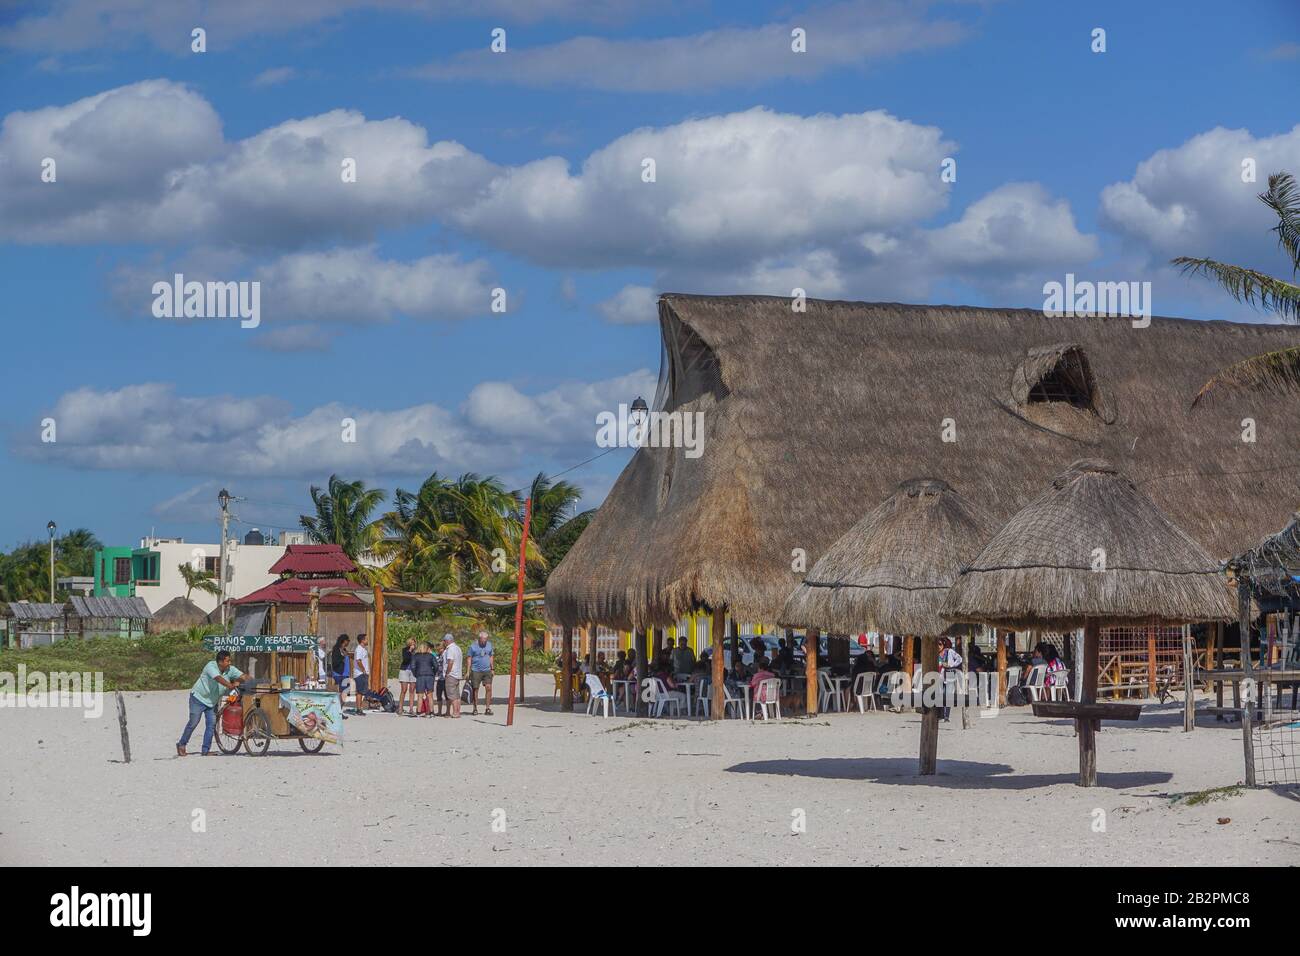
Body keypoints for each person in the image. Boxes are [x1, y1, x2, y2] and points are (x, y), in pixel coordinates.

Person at [177, 650, 244, 756]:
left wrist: (240, 680)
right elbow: (218, 678)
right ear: (220, 662)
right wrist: (230, 685)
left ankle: (205, 750)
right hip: (198, 698)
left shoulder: (230, 669)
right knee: (194, 722)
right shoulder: (210, 666)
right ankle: (181, 744)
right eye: (227, 661)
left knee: (211, 725)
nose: (229, 663)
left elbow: (243, 675)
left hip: (212, 702)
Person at [351, 634, 386, 716]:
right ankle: (358, 709)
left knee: (362, 692)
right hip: (360, 674)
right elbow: (358, 660)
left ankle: (360, 708)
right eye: (366, 639)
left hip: (363, 673)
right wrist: (363, 670)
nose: (367, 640)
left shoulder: (363, 649)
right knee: (360, 692)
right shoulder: (359, 649)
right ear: (362, 640)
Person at [467, 630, 495, 716]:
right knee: (475, 689)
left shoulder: (489, 645)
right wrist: (468, 671)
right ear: (479, 638)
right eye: (483, 640)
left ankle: (487, 708)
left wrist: (492, 668)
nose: (484, 641)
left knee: (488, 687)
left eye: (486, 639)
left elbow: (491, 656)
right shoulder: (473, 646)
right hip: (476, 670)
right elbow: (469, 658)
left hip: (487, 670)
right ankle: (475, 708)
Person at [938, 637, 963, 721]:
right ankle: (941, 715)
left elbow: (960, 659)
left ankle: (946, 716)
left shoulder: (950, 652)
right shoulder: (935, 653)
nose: (938, 646)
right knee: (940, 695)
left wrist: (951, 665)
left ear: (944, 645)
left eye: (940, 644)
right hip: (939, 675)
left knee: (948, 695)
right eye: (937, 644)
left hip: (950, 673)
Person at [411, 641, 437, 717]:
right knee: (430, 695)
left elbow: (412, 667)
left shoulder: (415, 656)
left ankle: (418, 712)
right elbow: (436, 666)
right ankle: (432, 712)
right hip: (429, 676)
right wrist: (433, 673)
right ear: (427, 648)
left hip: (420, 676)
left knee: (420, 695)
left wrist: (415, 674)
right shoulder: (431, 656)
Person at [441, 634, 464, 718]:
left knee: (452, 695)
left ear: (447, 641)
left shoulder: (450, 649)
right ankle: (458, 712)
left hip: (451, 674)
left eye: (444, 641)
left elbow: (450, 661)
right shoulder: (458, 648)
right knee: (457, 695)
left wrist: (447, 672)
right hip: (457, 674)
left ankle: (455, 712)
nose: (443, 642)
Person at [329, 635, 352, 711]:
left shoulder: (344, 650)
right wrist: (343, 657)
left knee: (345, 693)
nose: (348, 642)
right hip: (339, 675)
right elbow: (334, 662)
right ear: (343, 641)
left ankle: (340, 711)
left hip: (345, 675)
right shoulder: (336, 650)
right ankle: (338, 711)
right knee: (341, 693)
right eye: (347, 640)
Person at [399, 637, 417, 716]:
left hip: (413, 671)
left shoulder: (416, 651)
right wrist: (409, 650)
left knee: (412, 690)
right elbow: (405, 659)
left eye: (414, 642)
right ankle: (400, 708)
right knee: (404, 689)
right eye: (412, 642)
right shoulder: (405, 650)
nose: (413, 644)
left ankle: (411, 708)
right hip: (405, 670)